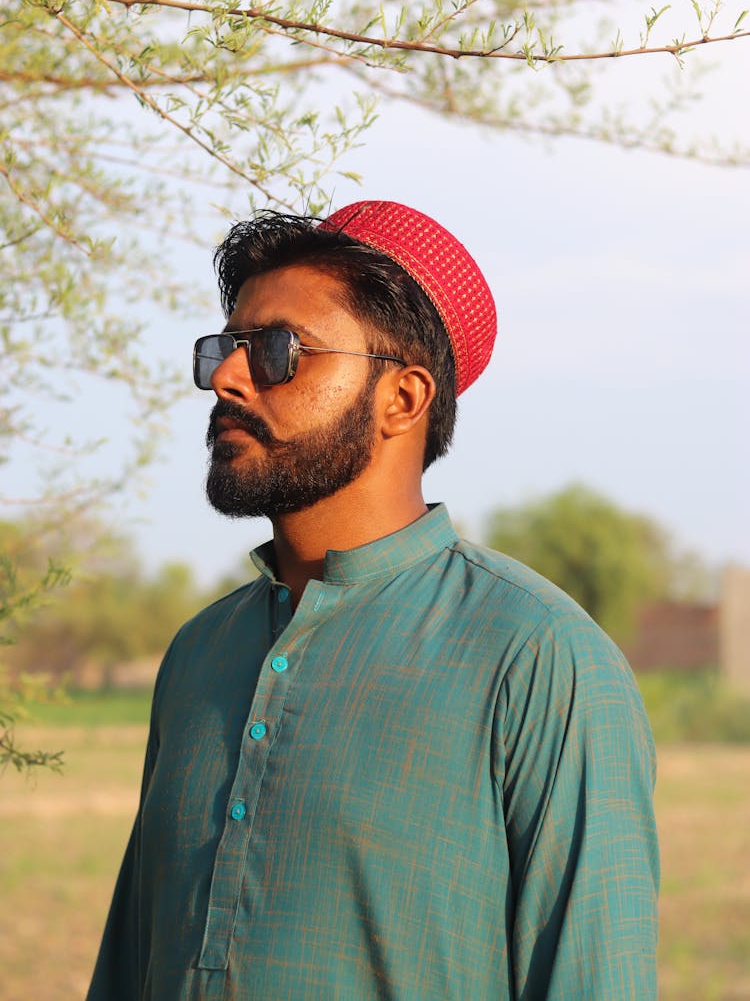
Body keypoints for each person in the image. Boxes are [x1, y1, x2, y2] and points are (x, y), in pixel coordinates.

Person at [88, 200, 659, 1000]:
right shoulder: (199, 653)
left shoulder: (538, 658)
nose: (226, 376)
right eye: (224, 347)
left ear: (403, 398)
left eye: (279, 350)